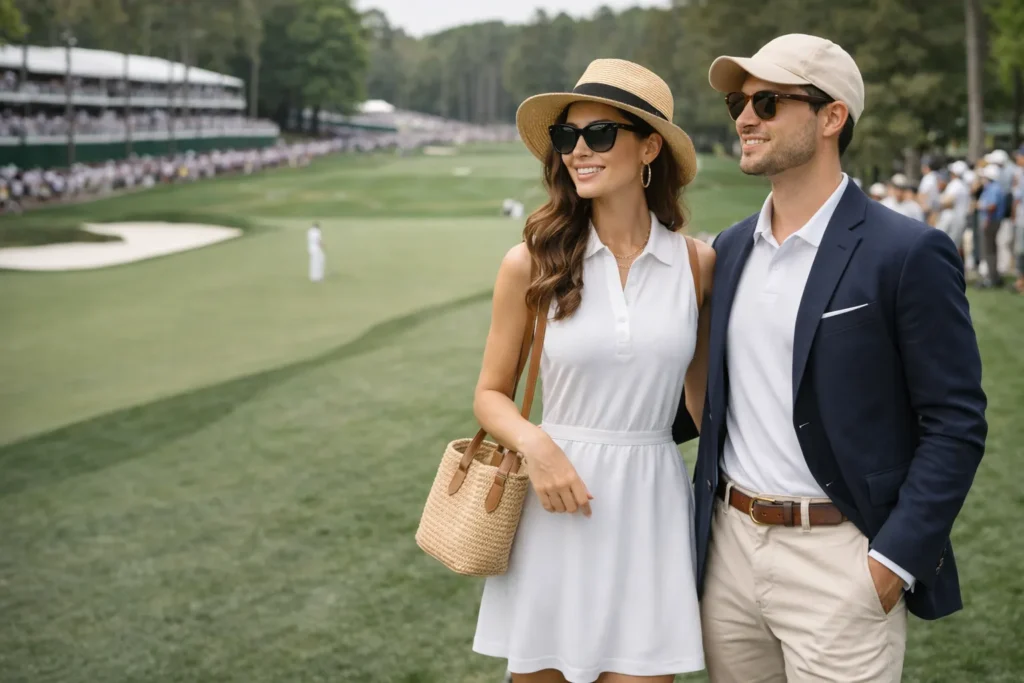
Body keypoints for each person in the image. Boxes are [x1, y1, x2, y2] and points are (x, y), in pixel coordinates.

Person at [687, 33, 987, 682]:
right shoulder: (731, 249)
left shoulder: (908, 251)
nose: (743, 117)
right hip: (729, 553)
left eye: (766, 102)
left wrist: (891, 564)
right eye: (740, 101)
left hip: (840, 561)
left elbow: (956, 423)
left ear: (831, 117)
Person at [472, 59, 715, 682]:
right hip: (554, 506)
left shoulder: (697, 265)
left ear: (649, 147)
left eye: (599, 134)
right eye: (566, 137)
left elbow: (706, 410)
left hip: (652, 508)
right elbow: (491, 396)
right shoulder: (530, 262)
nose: (578, 151)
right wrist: (536, 446)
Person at [976, 163, 1009, 288]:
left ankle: (991, 277)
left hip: (990, 221)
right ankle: (993, 276)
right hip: (992, 221)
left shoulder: (993, 188)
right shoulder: (994, 187)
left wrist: (981, 207)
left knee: (989, 250)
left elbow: (992, 206)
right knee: (991, 249)